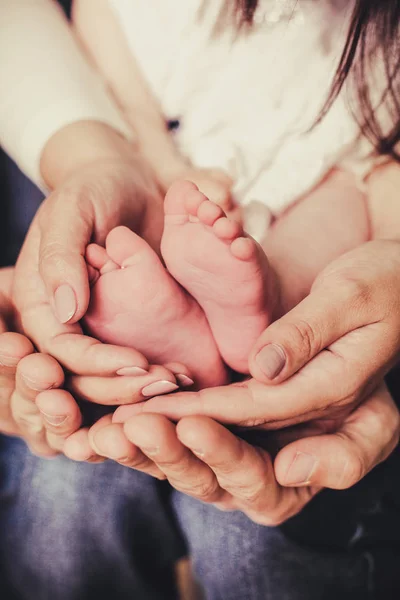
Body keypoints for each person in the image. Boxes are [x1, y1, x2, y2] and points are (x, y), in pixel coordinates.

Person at [1, 1, 400, 599]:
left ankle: (260, 309)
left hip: (351, 160)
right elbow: (120, 79)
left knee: (340, 211)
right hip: (192, 169)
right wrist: (143, 163)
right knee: (64, 508)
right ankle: (225, 317)